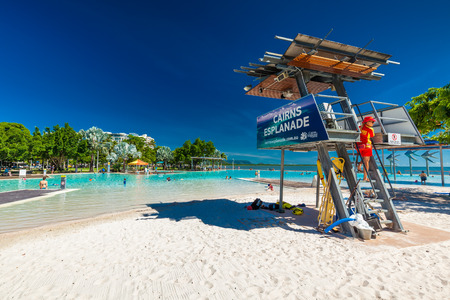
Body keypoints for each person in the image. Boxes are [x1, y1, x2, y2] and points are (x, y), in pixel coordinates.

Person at [357, 116, 376, 181]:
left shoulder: (359, 128)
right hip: (366, 146)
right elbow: (372, 135)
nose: (373, 123)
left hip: (359, 146)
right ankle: (365, 177)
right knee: (366, 161)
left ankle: (359, 165)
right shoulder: (370, 129)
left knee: (364, 158)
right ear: (367, 122)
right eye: (372, 122)